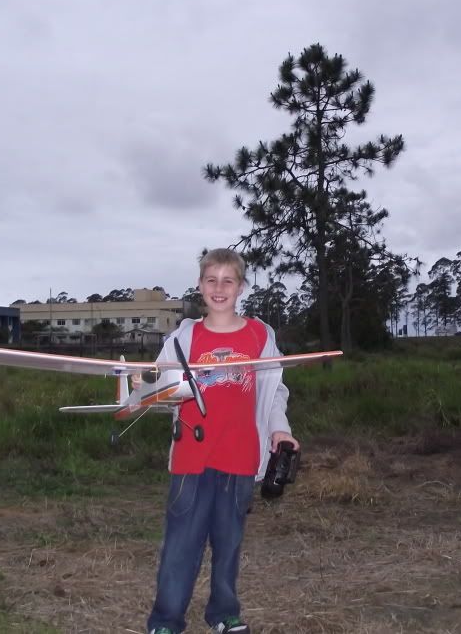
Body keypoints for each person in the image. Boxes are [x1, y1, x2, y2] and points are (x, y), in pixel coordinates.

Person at [145, 248, 297, 634]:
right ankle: (165, 621)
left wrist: (280, 430)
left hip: (241, 456)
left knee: (228, 544)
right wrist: (146, 386)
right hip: (191, 458)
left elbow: (274, 390)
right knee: (181, 545)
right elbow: (157, 384)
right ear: (200, 285)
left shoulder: (260, 334)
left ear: (241, 287)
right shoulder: (183, 337)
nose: (219, 288)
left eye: (228, 280)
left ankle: (224, 614)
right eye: (211, 279)